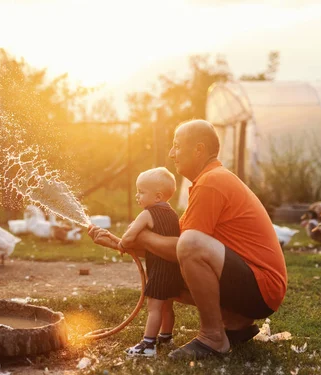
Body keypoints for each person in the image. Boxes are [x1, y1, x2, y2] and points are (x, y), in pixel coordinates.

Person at [88, 119, 287, 360]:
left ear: (199, 150)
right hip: (254, 288)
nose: (172, 153)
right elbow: (172, 251)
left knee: (191, 244)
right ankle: (236, 324)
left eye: (177, 146)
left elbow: (185, 248)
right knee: (166, 277)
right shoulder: (208, 181)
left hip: (262, 287)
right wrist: (116, 241)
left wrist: (144, 235)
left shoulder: (212, 182)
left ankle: (213, 337)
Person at [117, 167, 186, 357]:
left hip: (159, 269)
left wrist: (122, 243)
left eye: (141, 191)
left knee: (154, 308)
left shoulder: (147, 214)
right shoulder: (173, 214)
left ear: (157, 197)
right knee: (167, 306)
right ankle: (166, 337)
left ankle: (148, 345)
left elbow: (130, 236)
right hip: (173, 268)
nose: (137, 196)